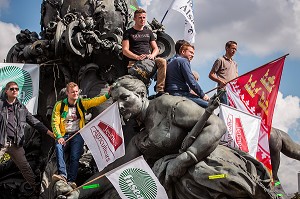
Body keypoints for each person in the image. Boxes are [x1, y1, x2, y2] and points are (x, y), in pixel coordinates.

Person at [51, 82, 110, 188]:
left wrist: (107, 95)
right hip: (63, 135)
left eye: (77, 91)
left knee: (75, 156)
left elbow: (95, 101)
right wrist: (59, 136)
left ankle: (71, 181)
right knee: (58, 147)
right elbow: (54, 122)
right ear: (68, 93)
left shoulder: (81, 103)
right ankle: (62, 175)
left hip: (77, 135)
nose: (75, 94)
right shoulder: (60, 105)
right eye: (73, 92)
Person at [0, 81, 54, 194]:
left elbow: (35, 122)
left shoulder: (21, 108)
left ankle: (36, 190)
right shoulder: (1, 105)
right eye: (12, 89)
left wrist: (49, 133)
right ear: (7, 91)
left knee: (25, 168)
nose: (15, 91)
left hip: (15, 144)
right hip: (2, 142)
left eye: (16, 89)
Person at [122, 8, 167, 96]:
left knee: (162, 61)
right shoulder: (128, 32)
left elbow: (156, 48)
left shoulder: (148, 32)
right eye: (140, 18)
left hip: (149, 60)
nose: (142, 20)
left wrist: (152, 55)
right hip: (135, 62)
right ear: (134, 19)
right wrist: (137, 57)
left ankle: (160, 89)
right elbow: (125, 50)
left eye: (144, 17)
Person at [165, 43, 210, 108]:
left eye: (193, 53)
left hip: (170, 91)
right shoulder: (183, 61)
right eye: (191, 52)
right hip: (180, 93)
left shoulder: (171, 62)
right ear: (183, 52)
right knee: (208, 105)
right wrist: (203, 95)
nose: (192, 55)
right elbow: (191, 81)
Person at [209, 40, 238, 105]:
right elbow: (211, 74)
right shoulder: (220, 60)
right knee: (225, 109)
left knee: (231, 111)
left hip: (233, 92)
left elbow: (236, 77)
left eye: (235, 49)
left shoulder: (235, 63)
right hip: (223, 90)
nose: (234, 51)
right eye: (233, 48)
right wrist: (220, 81)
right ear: (227, 48)